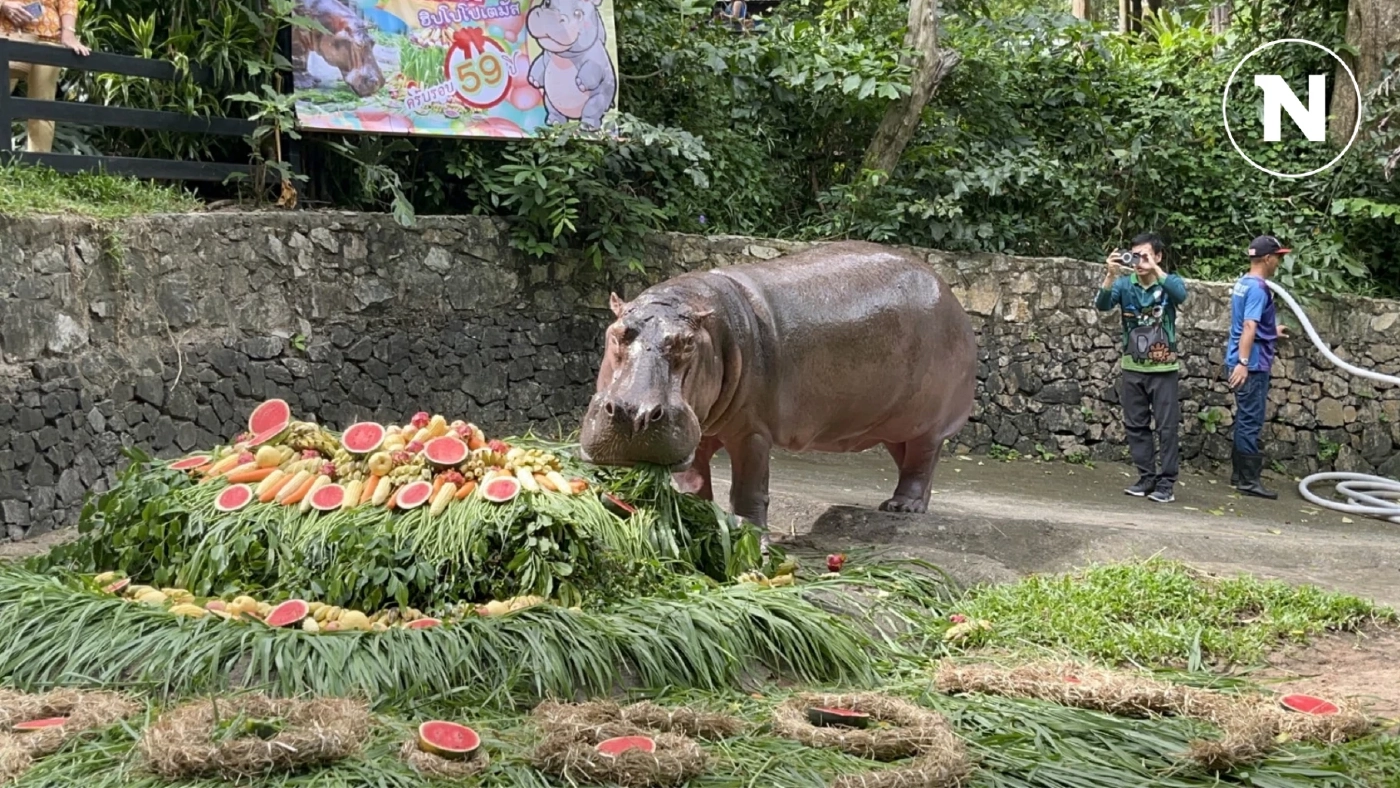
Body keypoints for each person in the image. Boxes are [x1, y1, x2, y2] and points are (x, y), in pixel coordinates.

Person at [1094, 232, 1189, 503]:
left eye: (1145, 255)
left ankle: (1166, 483)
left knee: (1167, 427)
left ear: (1158, 256)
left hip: (1163, 368)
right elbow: (1102, 305)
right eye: (1135, 255)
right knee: (1135, 424)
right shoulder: (1125, 285)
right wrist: (1110, 275)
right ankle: (1146, 477)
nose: (1139, 261)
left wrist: (1155, 269)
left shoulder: (1168, 283)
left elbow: (1181, 295)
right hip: (1132, 365)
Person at [1225, 235, 1291, 500]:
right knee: (1250, 420)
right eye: (1278, 257)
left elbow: (1248, 323)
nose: (1279, 262)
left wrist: (1271, 330)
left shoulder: (1243, 282)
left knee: (1244, 418)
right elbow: (1249, 326)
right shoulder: (1258, 288)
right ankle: (1249, 481)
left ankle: (1238, 475)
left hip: (1243, 359)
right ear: (1267, 258)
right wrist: (1243, 363)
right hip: (1251, 364)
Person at [1, 0, 89, 154]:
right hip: (7, 33)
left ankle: (37, 166)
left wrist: (68, 33)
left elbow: (68, 2)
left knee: (42, 107)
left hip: (48, 37)